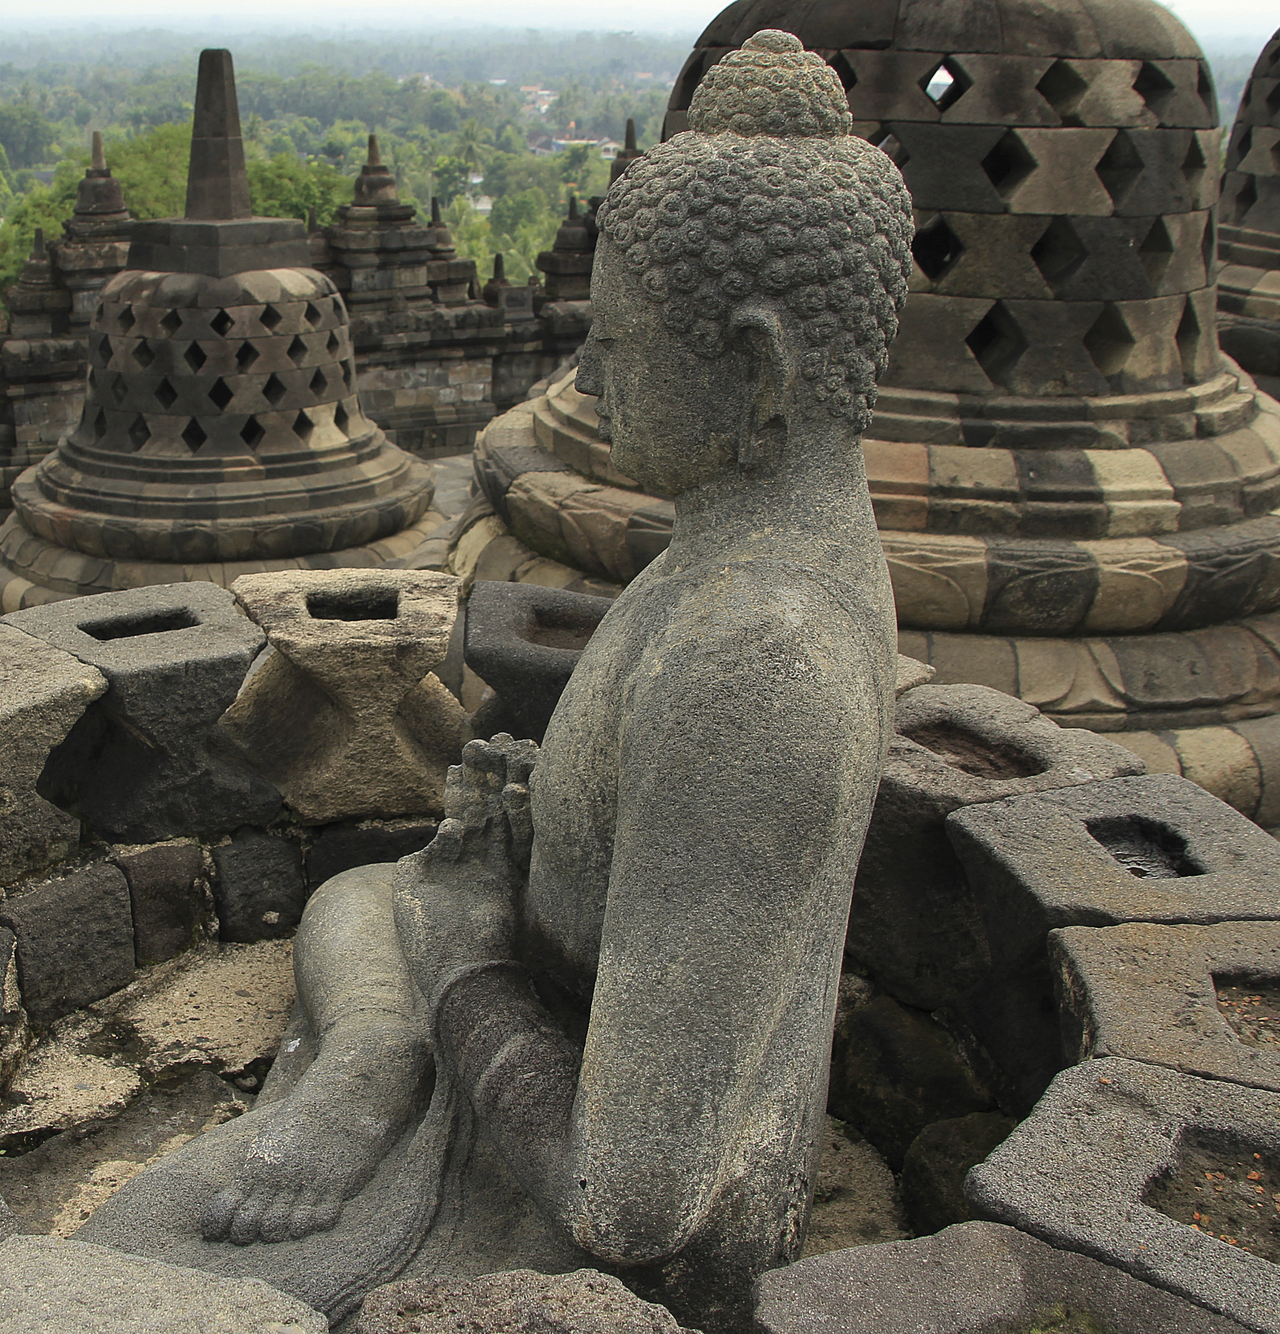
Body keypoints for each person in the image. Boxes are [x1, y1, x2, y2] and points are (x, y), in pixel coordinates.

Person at [79, 32, 915, 1332]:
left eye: (620, 343)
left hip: (583, 1205)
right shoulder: (753, 547)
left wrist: (469, 964)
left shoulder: (760, 663)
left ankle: (382, 1069)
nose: (590, 376)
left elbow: (626, 1200)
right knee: (367, 892)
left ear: (759, 370)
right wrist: (542, 829)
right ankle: (373, 1047)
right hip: (571, 1017)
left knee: (125, 1257)